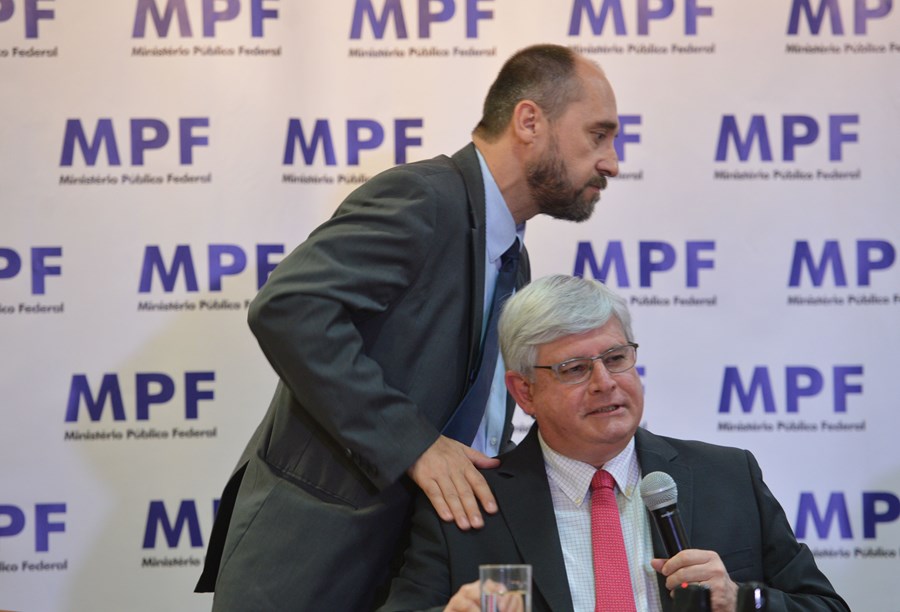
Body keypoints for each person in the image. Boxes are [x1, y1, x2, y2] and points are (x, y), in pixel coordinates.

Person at [195, 45, 621, 610]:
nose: (612, 162)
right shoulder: (423, 198)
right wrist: (414, 444)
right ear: (528, 121)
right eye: (598, 135)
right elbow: (289, 306)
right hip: (313, 565)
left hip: (420, 573)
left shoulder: (512, 259)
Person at [379, 275, 849, 612]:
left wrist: (742, 601)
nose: (605, 382)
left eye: (616, 358)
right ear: (524, 392)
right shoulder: (470, 504)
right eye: (574, 369)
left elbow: (826, 605)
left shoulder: (727, 478)